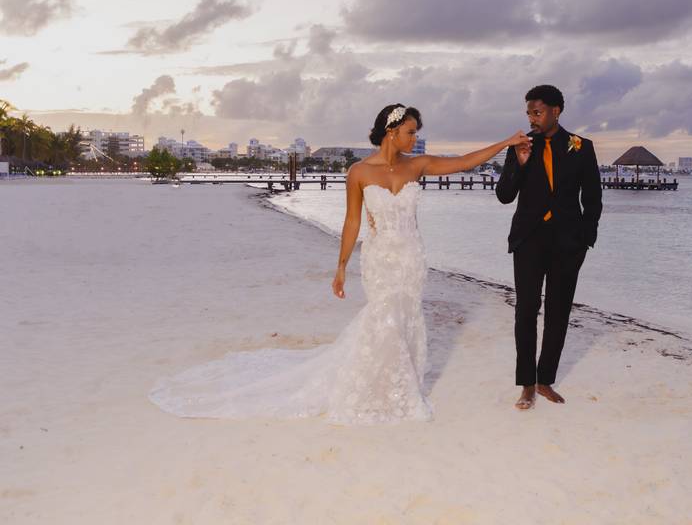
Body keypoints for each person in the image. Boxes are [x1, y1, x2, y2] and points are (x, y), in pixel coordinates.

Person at [149, 103, 528, 424]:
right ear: (391, 130)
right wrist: (342, 265)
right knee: (386, 317)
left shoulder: (418, 165)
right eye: (411, 132)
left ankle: (401, 384)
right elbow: (352, 221)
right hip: (380, 258)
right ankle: (382, 390)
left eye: (416, 133)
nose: (415, 139)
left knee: (406, 317)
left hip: (413, 257)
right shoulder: (359, 172)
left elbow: (464, 162)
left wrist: (506, 144)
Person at [496, 85, 602, 410]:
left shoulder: (582, 147)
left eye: (537, 112)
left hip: (568, 244)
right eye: (529, 112)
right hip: (528, 240)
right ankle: (527, 384)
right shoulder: (521, 146)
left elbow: (593, 198)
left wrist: (586, 239)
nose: (532, 118)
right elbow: (504, 195)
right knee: (526, 311)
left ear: (556, 111)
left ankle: (545, 381)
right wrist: (520, 162)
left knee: (558, 313)